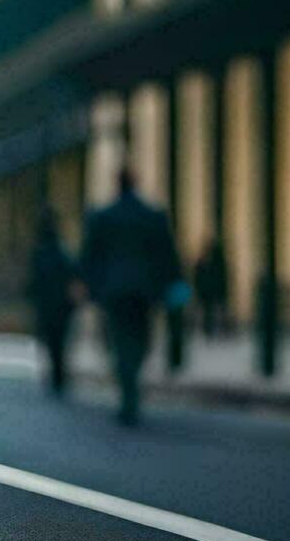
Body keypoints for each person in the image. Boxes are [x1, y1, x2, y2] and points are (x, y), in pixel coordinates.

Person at [80, 169, 182, 425]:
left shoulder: (103, 217)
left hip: (113, 292)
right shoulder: (152, 216)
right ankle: (130, 384)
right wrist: (173, 285)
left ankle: (127, 384)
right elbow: (167, 255)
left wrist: (89, 287)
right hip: (143, 291)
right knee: (140, 340)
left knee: (120, 340)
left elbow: (90, 257)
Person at [27, 209, 79, 395]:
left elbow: (33, 281)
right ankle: (59, 374)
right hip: (60, 304)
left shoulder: (39, 253)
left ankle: (56, 374)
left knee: (50, 339)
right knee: (59, 340)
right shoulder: (62, 251)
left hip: (47, 303)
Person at [193, 238, 229, 337]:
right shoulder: (207, 263)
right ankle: (211, 330)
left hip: (211, 291)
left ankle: (216, 330)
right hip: (208, 292)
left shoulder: (212, 263)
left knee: (214, 312)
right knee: (210, 312)